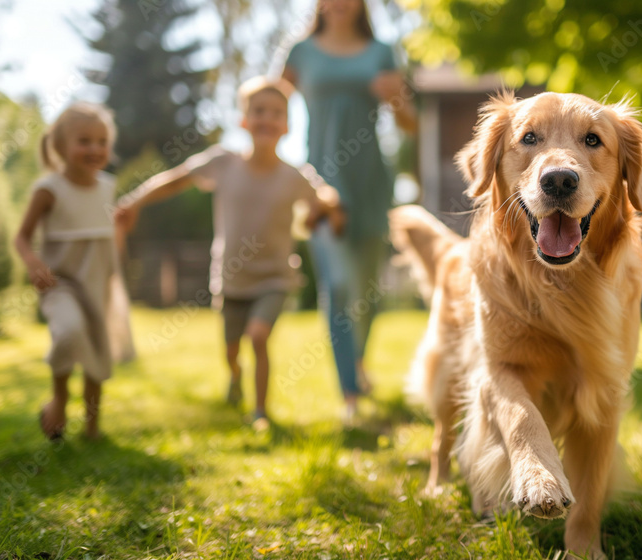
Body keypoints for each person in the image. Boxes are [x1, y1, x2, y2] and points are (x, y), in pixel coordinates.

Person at [114, 77, 343, 430]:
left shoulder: (295, 175)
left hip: (275, 278)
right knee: (232, 349)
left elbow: (325, 197)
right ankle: (235, 378)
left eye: (276, 113)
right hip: (232, 278)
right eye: (258, 111)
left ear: (287, 125)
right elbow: (177, 178)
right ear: (244, 121)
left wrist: (326, 206)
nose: (267, 118)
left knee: (259, 335)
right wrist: (135, 201)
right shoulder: (223, 162)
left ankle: (261, 412)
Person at [282, 0, 417, 420]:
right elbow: (269, 100)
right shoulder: (300, 53)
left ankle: (358, 363)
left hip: (373, 181)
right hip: (321, 185)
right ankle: (349, 395)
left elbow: (410, 123)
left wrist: (395, 100)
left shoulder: (382, 51)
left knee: (366, 290)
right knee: (339, 286)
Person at [15, 102, 135, 441]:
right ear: (60, 146)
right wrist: (34, 264)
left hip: (98, 283)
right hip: (60, 283)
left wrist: (123, 229)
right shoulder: (49, 189)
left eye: (102, 141)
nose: (95, 149)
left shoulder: (108, 188)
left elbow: (110, 245)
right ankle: (59, 400)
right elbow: (21, 237)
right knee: (68, 333)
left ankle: (92, 428)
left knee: (98, 356)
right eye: (84, 141)